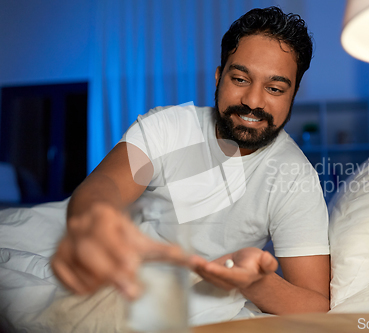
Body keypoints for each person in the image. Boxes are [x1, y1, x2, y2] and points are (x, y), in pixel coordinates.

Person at [51, 6, 330, 316]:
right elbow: (104, 186)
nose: (253, 101)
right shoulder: (167, 127)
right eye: (239, 79)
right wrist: (94, 222)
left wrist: (254, 283)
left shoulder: (295, 176)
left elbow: (315, 302)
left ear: (293, 94)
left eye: (274, 89)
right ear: (218, 76)